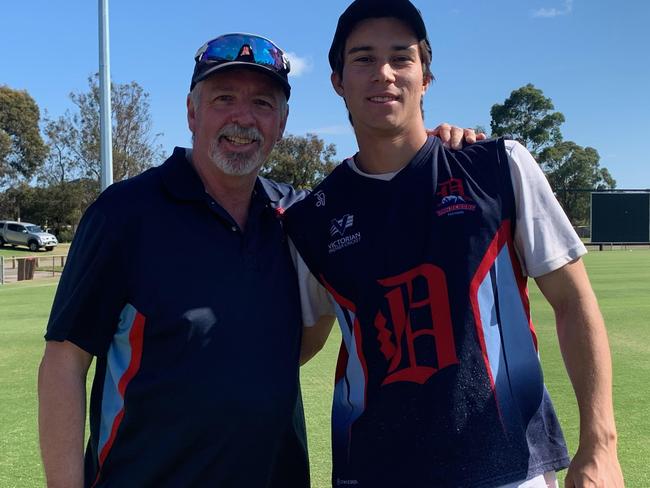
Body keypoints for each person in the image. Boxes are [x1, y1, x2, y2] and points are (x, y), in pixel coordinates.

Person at [37, 32, 474, 487]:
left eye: (263, 104)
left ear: (282, 122)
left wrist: (439, 152)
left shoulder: (300, 218)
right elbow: (64, 362)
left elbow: (389, 210)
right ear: (192, 111)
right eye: (224, 98)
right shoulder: (124, 214)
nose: (243, 119)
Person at [284, 1, 624, 487]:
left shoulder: (497, 167)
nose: (383, 73)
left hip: (508, 470)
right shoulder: (313, 220)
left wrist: (601, 444)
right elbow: (299, 344)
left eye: (401, 57)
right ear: (337, 81)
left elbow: (572, 301)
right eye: (362, 59)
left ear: (426, 77)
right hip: (375, 471)